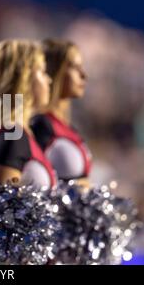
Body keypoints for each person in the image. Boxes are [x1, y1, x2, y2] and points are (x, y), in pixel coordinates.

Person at [0, 40, 56, 189]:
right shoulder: (12, 136)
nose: (49, 80)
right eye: (43, 72)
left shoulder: (15, 132)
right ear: (24, 78)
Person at [30, 39, 92, 189]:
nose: (83, 75)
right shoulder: (40, 125)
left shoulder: (67, 126)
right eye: (74, 67)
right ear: (54, 70)